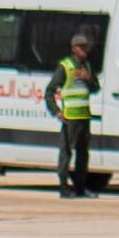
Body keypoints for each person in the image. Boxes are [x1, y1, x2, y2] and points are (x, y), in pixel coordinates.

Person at [51, 41, 99, 197]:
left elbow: (96, 88)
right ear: (73, 48)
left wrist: (88, 78)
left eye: (86, 47)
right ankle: (63, 187)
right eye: (81, 47)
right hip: (70, 117)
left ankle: (80, 187)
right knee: (66, 152)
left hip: (84, 116)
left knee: (83, 153)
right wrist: (57, 111)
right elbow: (49, 91)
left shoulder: (87, 66)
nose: (85, 50)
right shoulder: (65, 66)